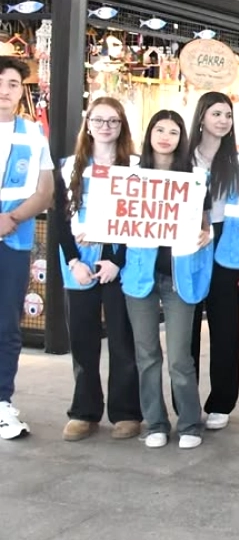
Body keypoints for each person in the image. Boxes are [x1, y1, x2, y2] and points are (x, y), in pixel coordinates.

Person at [52, 97, 141, 443]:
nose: (106, 127)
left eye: (113, 121)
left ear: (122, 127)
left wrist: (116, 260)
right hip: (78, 265)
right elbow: (60, 219)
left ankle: (126, 412)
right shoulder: (67, 167)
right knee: (83, 340)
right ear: (88, 124)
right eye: (99, 120)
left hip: (118, 264)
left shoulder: (134, 166)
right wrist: (74, 261)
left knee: (122, 340)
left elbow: (136, 218)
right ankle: (84, 411)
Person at [122, 110, 211, 450]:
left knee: (179, 358)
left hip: (179, 277)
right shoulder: (131, 175)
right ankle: (155, 422)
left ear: (181, 138)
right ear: (149, 134)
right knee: (146, 354)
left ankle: (189, 423)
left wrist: (207, 232)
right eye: (159, 129)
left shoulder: (195, 176)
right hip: (140, 274)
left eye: (173, 132)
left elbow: (204, 222)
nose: (165, 137)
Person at [188, 92, 239, 431]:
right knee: (186, 329)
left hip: (226, 242)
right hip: (188, 241)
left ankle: (222, 402)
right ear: (202, 117)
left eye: (228, 115)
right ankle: (186, 402)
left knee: (226, 327)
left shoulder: (237, 162)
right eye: (216, 113)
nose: (223, 120)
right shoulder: (186, 157)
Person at [0, 56, 55, 439]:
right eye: (0, 82)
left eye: (13, 84)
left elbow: (45, 192)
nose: (5, 90)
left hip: (13, 241)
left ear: (23, 91)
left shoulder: (33, 134)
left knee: (6, 326)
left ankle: (2, 402)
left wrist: (12, 218)